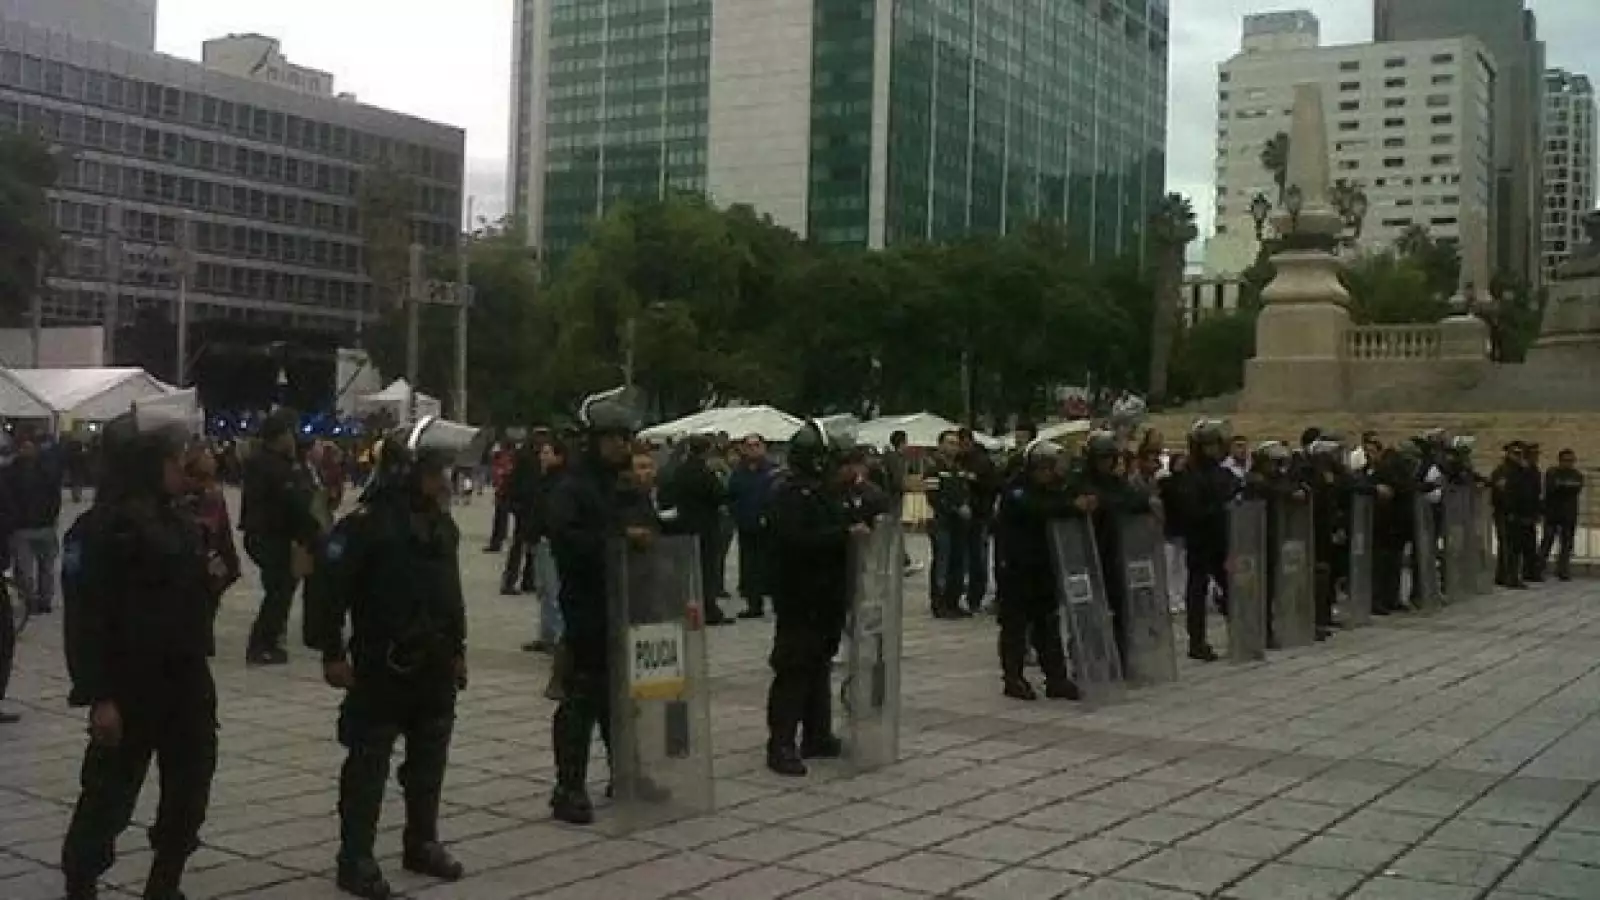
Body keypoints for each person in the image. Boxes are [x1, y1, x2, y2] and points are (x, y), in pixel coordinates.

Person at [305, 417, 473, 899]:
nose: (443, 481)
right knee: (368, 763)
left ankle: (422, 842)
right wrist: (332, 653)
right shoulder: (363, 526)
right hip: (381, 663)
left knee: (428, 760)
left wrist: (458, 650)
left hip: (434, 663)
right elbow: (327, 592)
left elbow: (451, 595)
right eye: (433, 472)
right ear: (405, 473)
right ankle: (354, 856)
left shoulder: (443, 526)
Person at [59, 409, 219, 900]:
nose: (183, 467)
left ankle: (164, 883)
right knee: (108, 797)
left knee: (189, 789)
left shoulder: (182, 519)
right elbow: (85, 619)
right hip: (130, 686)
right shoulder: (102, 528)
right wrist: (98, 694)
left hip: (186, 681)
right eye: (175, 459)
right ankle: (81, 881)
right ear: (148, 462)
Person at [547, 387, 644, 825]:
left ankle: (624, 773)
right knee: (581, 699)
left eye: (626, 438)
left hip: (625, 606)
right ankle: (568, 787)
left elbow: (649, 527)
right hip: (587, 606)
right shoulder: (574, 486)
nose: (623, 446)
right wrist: (620, 542)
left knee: (617, 699)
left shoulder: (624, 487)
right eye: (614, 438)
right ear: (594, 441)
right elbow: (568, 542)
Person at [765, 420, 865, 776]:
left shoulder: (825, 493)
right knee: (794, 668)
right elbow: (796, 541)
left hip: (827, 595)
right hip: (800, 594)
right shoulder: (790, 494)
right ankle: (781, 743)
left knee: (819, 665)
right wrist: (843, 534)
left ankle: (817, 734)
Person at [993, 438, 1081, 701]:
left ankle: (1056, 678)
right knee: (1015, 626)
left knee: (1048, 624)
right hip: (1016, 568)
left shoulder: (1052, 490)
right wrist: (1070, 506)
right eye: (1047, 469)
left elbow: (1063, 500)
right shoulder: (1016, 490)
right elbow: (1036, 509)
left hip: (1043, 566)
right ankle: (1013, 678)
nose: (1051, 474)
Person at [242, 409, 320, 665]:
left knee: (281, 588)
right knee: (279, 589)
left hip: (278, 534)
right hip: (269, 535)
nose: (293, 438)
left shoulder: (280, 462)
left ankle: (271, 638)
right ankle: (261, 643)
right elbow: (292, 500)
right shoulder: (268, 464)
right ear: (279, 436)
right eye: (290, 433)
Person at [1175, 420, 1236, 661]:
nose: (1213, 450)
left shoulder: (1221, 471)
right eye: (1209, 445)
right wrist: (1217, 506)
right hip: (1201, 538)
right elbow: (1191, 508)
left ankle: (1241, 631)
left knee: (1231, 587)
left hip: (1222, 539)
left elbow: (1234, 489)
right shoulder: (1190, 474)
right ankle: (1197, 641)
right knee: (1197, 590)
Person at [661, 435, 732, 626]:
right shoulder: (704, 471)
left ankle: (682, 606)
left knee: (685, 571)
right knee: (707, 569)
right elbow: (719, 494)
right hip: (706, 526)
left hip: (684, 525)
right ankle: (710, 609)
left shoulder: (680, 471)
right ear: (706, 450)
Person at [179, 444, 241, 655]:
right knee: (201, 597)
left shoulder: (212, 492)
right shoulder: (185, 494)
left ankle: (203, 636)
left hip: (214, 552)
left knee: (211, 594)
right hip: (199, 553)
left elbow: (220, 526)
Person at [6, 430, 62, 616]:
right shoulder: (46, 470)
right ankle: (40, 601)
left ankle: (35, 601)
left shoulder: (9, 473)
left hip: (26, 527)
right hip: (37, 526)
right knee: (41, 568)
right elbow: (55, 496)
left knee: (30, 569)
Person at [522, 437, 568, 653]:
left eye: (547, 453)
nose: (542, 457)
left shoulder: (560, 483)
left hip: (550, 540)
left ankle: (558, 637)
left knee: (553, 590)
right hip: (538, 540)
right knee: (543, 590)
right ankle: (547, 634)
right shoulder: (543, 479)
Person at [728, 434, 778, 619]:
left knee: (770, 565)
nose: (753, 449)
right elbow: (731, 495)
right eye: (749, 446)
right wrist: (737, 514)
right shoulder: (739, 472)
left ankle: (776, 602)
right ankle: (753, 603)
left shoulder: (772, 471)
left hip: (768, 527)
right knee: (749, 566)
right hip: (746, 525)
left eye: (757, 445)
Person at [925, 430, 972, 618]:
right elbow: (933, 496)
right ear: (940, 445)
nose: (953, 447)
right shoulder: (933, 468)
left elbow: (964, 491)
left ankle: (953, 601)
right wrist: (955, 507)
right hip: (942, 522)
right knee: (942, 562)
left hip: (959, 524)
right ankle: (939, 602)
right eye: (949, 443)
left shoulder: (958, 468)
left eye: (955, 443)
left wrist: (966, 505)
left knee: (958, 562)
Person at [1540, 449, 1584, 581]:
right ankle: (1538, 568)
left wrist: (1563, 486)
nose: (1569, 463)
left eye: (1571, 461)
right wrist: (1564, 487)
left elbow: (1576, 488)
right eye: (1566, 461)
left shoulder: (1576, 475)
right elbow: (1553, 488)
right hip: (1553, 513)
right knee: (1547, 542)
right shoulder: (1552, 473)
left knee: (1566, 544)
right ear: (1560, 461)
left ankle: (1563, 570)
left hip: (1569, 514)